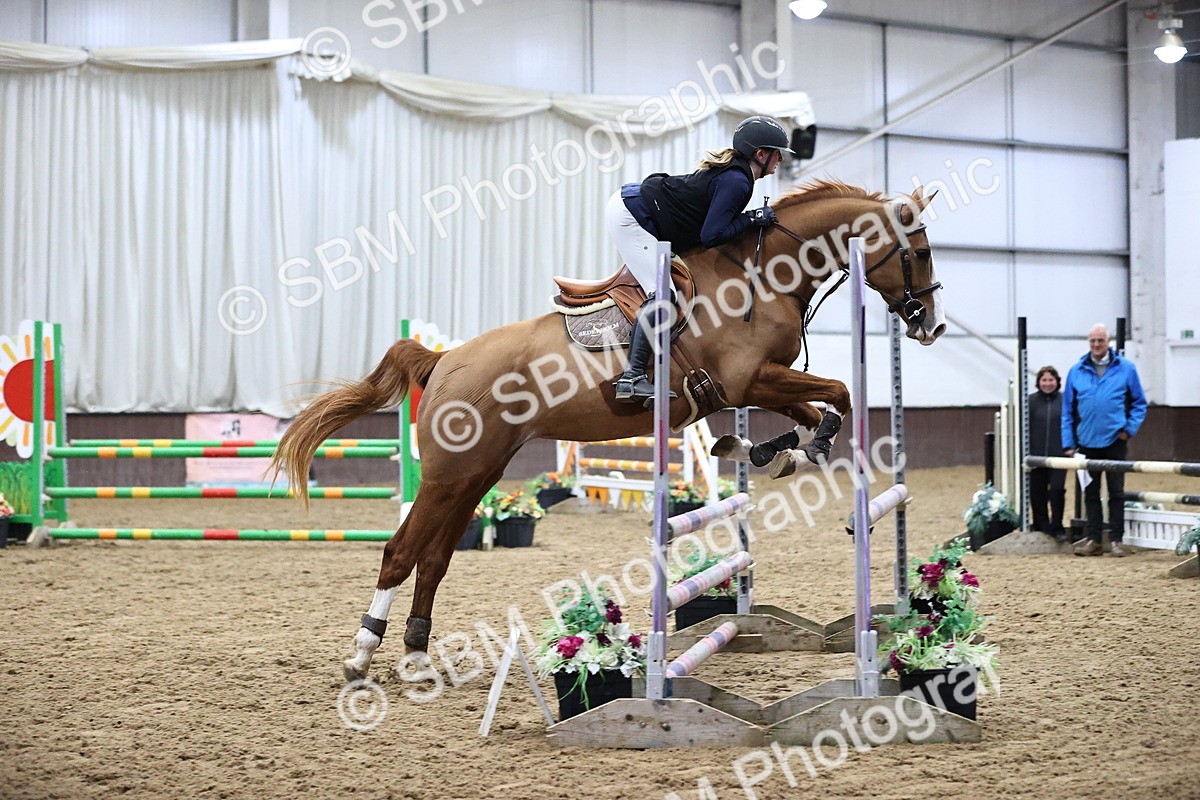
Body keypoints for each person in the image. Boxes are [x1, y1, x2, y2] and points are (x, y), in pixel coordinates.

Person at [606, 115, 793, 402]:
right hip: (632, 216)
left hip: (641, 209)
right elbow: (711, 235)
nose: (780, 160)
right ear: (761, 154)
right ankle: (631, 378)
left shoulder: (738, 175)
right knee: (664, 296)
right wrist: (754, 218)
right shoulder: (737, 181)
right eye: (777, 153)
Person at [1062, 324, 1147, 557]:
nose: (1096, 345)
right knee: (1090, 494)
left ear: (1108, 341)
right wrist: (1068, 443)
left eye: (1100, 340)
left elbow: (1140, 402)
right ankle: (1094, 540)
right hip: (1086, 443)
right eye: (1092, 341)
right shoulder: (1076, 371)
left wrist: (1128, 430)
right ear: (1088, 343)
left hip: (1115, 441)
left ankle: (1117, 540)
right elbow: (1067, 410)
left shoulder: (1126, 368)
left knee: (1116, 493)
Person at [1028, 365, 1067, 539]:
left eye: (1051, 380)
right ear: (1038, 382)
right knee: (1037, 491)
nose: (1047, 383)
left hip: (1060, 455)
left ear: (1057, 381)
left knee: (1057, 490)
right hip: (1036, 455)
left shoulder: (1066, 401)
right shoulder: (1030, 402)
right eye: (1044, 380)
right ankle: (1041, 525)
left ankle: (1057, 526)